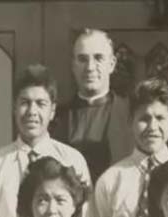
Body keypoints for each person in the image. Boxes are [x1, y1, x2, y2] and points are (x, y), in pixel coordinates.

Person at [0, 64, 91, 217]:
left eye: (40, 103)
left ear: (53, 110)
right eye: (24, 102)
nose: (32, 111)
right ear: (14, 107)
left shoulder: (71, 160)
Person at [83, 77, 168, 217]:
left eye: (160, 118)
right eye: (144, 119)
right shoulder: (110, 181)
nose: (152, 127)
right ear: (130, 123)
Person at [52, 28, 132, 183]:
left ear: (112, 64)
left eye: (98, 58)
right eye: (82, 59)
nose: (89, 67)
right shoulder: (55, 117)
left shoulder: (132, 113)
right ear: (73, 65)